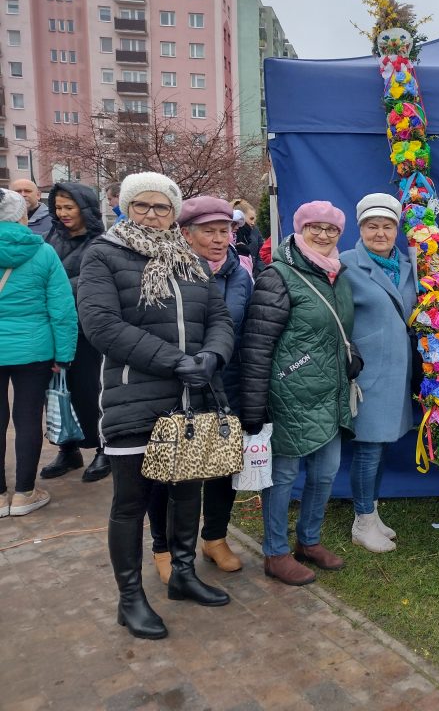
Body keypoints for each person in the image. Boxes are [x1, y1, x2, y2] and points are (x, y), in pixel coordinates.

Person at [78, 172, 236, 640]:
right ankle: (130, 598)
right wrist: (176, 361)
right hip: (134, 398)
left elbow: (219, 318)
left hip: (190, 397)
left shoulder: (190, 260)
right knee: (131, 501)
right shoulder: (104, 254)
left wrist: (212, 356)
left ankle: (183, 574)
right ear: (126, 208)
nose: (151, 214)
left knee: (188, 489)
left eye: (161, 206)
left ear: (173, 213)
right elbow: (102, 324)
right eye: (141, 205)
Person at [240, 200, 360, 586]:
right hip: (289, 394)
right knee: (284, 475)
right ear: (300, 229)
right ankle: (275, 553)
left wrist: (352, 354)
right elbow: (257, 344)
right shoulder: (279, 276)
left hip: (330, 392)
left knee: (325, 473)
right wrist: (255, 406)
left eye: (332, 229)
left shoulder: (336, 275)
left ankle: (308, 541)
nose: (323, 234)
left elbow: (337, 330)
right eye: (315, 227)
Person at [146, 196, 254, 583]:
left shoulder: (241, 273)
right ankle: (163, 546)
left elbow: (244, 329)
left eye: (224, 231)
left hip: (227, 382)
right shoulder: (164, 269)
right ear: (186, 234)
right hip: (177, 383)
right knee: (171, 467)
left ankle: (215, 537)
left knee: (223, 463)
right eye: (209, 231)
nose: (219, 239)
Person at [340, 193, 416, 553]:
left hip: (399, 373)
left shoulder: (408, 264)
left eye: (387, 226)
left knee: (381, 446)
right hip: (367, 373)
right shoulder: (345, 264)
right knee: (368, 448)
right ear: (360, 229)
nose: (380, 233)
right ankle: (362, 520)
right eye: (372, 226)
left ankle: (371, 511)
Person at [0, 188, 77, 518]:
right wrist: (64, 355)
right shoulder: (43, 252)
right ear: (22, 215)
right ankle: (24, 493)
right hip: (34, 348)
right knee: (28, 417)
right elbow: (62, 309)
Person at [39, 182, 110, 482]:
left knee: (89, 390)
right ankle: (67, 449)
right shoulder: (52, 237)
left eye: (69, 207)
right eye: (58, 207)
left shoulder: (101, 242)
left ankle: (103, 447)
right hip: (52, 327)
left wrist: (52, 289)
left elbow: (94, 280)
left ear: (85, 208)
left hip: (85, 328)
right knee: (56, 391)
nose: (63, 213)